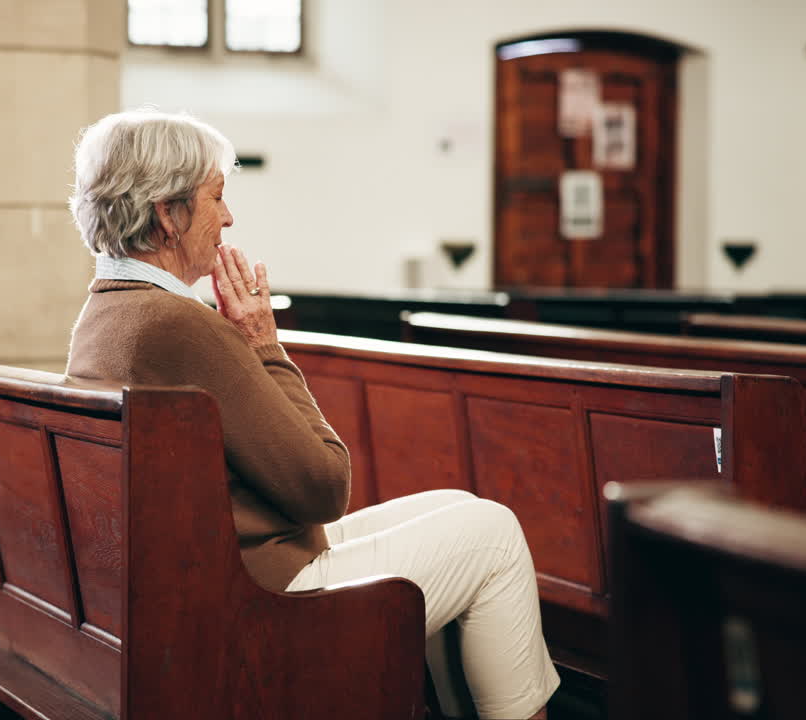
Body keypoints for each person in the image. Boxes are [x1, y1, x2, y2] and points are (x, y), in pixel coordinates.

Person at [64, 108, 558, 719]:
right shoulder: (182, 327)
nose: (229, 217)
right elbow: (325, 486)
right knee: (494, 534)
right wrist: (263, 343)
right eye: (217, 197)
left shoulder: (105, 312)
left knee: (460, 508)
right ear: (168, 213)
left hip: (208, 572)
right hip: (261, 602)